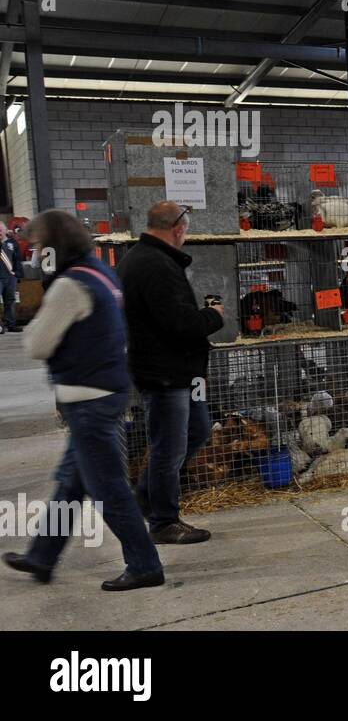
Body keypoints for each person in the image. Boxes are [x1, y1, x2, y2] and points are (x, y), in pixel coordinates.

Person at [2, 210, 165, 591]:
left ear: (53, 247)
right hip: (107, 389)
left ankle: (145, 565)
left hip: (87, 397)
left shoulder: (69, 286)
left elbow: (35, 344)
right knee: (71, 484)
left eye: (39, 244)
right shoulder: (100, 273)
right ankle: (42, 557)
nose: (36, 251)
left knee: (108, 488)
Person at [116, 201, 224, 543]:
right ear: (178, 228)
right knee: (169, 447)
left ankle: (146, 497)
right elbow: (179, 324)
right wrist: (214, 316)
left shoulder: (145, 258)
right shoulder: (155, 265)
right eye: (186, 230)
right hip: (165, 372)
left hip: (179, 371)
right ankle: (163, 521)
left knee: (197, 431)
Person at [0, 223, 22, 333]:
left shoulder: (12, 243)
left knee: (10, 300)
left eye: (0, 230)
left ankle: (11, 323)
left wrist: (17, 274)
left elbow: (17, 259)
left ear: (5, 231)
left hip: (10, 276)